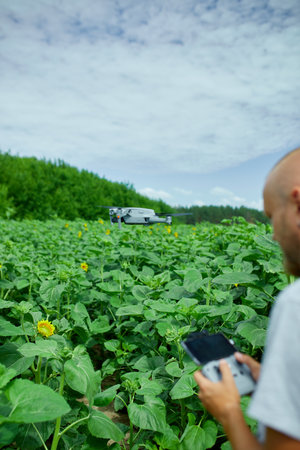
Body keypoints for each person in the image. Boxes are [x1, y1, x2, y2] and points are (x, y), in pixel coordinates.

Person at [194, 148, 300, 450]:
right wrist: (273, 384)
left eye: (271, 216)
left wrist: (228, 412)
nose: (275, 236)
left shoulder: (296, 304)